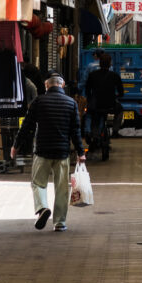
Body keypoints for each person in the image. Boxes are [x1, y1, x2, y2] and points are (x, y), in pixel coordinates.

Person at [11, 74, 86, 232]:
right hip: (62, 152)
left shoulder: (39, 101)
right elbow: (75, 131)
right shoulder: (71, 103)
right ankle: (60, 223)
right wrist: (81, 152)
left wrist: (16, 145)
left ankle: (42, 207)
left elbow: (27, 126)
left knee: (38, 183)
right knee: (62, 189)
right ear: (63, 84)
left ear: (46, 86)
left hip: (42, 151)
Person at [84, 53, 124, 155]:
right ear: (110, 64)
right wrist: (117, 96)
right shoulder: (114, 76)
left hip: (95, 104)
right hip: (110, 104)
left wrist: (90, 99)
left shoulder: (92, 75)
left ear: (100, 63)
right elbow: (121, 91)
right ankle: (115, 130)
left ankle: (87, 130)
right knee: (120, 110)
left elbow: (87, 90)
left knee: (89, 114)